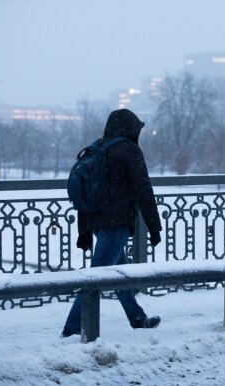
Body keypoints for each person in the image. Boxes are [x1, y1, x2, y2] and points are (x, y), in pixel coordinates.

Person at [61, 109, 162, 337]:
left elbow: (86, 192)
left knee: (119, 272)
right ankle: (72, 331)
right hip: (115, 224)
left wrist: (85, 229)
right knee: (95, 278)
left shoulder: (98, 147)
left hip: (96, 221)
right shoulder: (129, 151)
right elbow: (143, 190)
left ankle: (137, 318)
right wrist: (154, 227)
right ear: (130, 129)